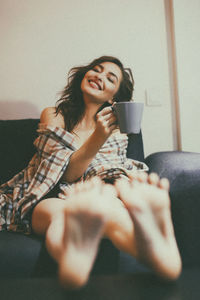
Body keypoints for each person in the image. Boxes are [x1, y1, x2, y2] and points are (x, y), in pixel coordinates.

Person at [0, 56, 182, 289]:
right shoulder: (54, 115)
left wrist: (111, 185)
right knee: (62, 215)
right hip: (48, 194)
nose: (99, 76)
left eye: (110, 77)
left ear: (114, 96)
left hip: (98, 192)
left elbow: (109, 169)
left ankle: (155, 249)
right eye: (96, 70)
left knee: (112, 209)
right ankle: (76, 253)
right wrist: (98, 136)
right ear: (83, 75)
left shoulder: (118, 131)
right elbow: (61, 175)